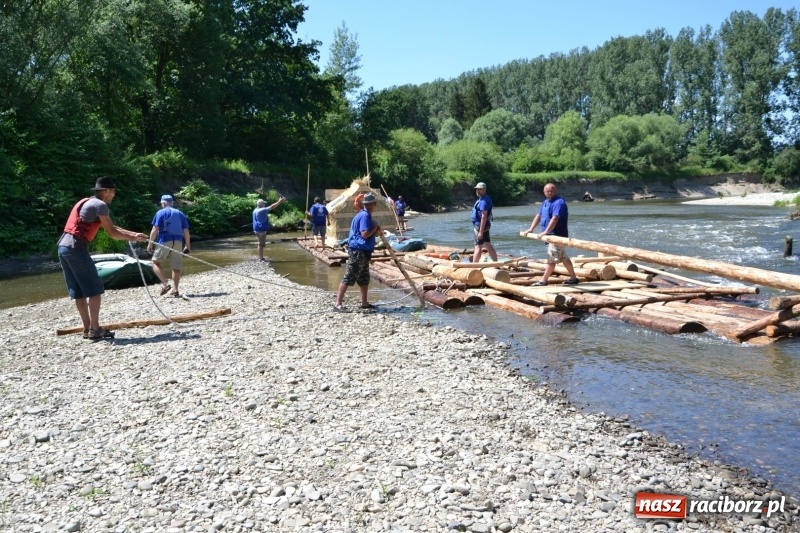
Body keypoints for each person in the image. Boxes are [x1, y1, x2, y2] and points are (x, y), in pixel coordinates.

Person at [56, 177, 149, 341]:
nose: (113, 196)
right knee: (95, 290)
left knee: (78, 291)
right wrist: (133, 239)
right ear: (106, 191)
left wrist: (133, 234)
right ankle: (95, 329)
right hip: (76, 248)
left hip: (63, 248)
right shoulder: (101, 205)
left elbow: (111, 226)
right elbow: (112, 233)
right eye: (113, 192)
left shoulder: (87, 202)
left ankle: (87, 329)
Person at [522, 182, 579, 286]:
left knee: (551, 259)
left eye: (552, 191)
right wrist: (531, 229)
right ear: (544, 192)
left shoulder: (559, 202)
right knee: (563, 257)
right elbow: (539, 216)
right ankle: (574, 278)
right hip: (550, 236)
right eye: (547, 191)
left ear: (555, 191)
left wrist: (545, 232)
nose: (550, 193)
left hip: (556, 236)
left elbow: (555, 217)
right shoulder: (545, 202)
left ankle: (543, 280)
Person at [334, 192, 381, 311]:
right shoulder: (365, 216)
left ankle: (364, 303)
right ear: (374, 204)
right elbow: (364, 234)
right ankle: (338, 304)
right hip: (358, 251)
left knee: (364, 277)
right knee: (349, 275)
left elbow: (366, 233)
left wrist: (374, 230)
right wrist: (375, 227)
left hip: (363, 251)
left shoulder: (362, 214)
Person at [147, 194, 191, 297]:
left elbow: (155, 229)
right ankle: (175, 289)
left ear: (163, 203)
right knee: (176, 267)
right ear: (172, 203)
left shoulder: (160, 213)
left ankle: (165, 284)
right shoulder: (180, 213)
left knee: (155, 262)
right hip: (178, 241)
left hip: (165, 239)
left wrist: (150, 243)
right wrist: (187, 246)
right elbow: (186, 231)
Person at [253, 196, 286, 262]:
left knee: (260, 243)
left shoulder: (255, 210)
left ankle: (261, 257)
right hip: (261, 230)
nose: (264, 204)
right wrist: (279, 202)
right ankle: (261, 258)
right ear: (261, 204)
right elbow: (271, 207)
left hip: (257, 229)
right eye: (263, 203)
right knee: (261, 244)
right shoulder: (261, 210)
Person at [471, 182, 498, 263]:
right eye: (477, 189)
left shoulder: (484, 201)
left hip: (480, 227)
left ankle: (474, 266)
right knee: (487, 244)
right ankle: (496, 263)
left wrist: (480, 232)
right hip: (484, 226)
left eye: (480, 189)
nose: (478, 191)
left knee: (478, 246)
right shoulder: (484, 199)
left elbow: (484, 216)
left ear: (484, 190)